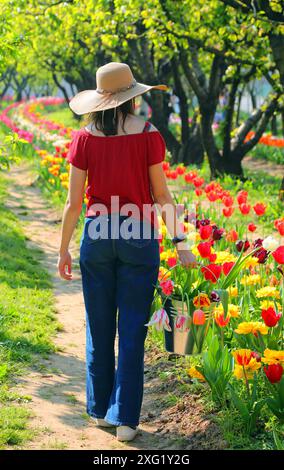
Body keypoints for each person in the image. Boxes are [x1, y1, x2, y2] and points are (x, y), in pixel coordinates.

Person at [57, 62, 196, 442]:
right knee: (132, 327)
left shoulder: (83, 139)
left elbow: (73, 204)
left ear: (101, 99)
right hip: (139, 234)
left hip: (97, 235)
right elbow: (162, 195)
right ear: (132, 98)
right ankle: (126, 420)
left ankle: (100, 410)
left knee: (98, 326)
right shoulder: (148, 135)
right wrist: (181, 242)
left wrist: (63, 250)